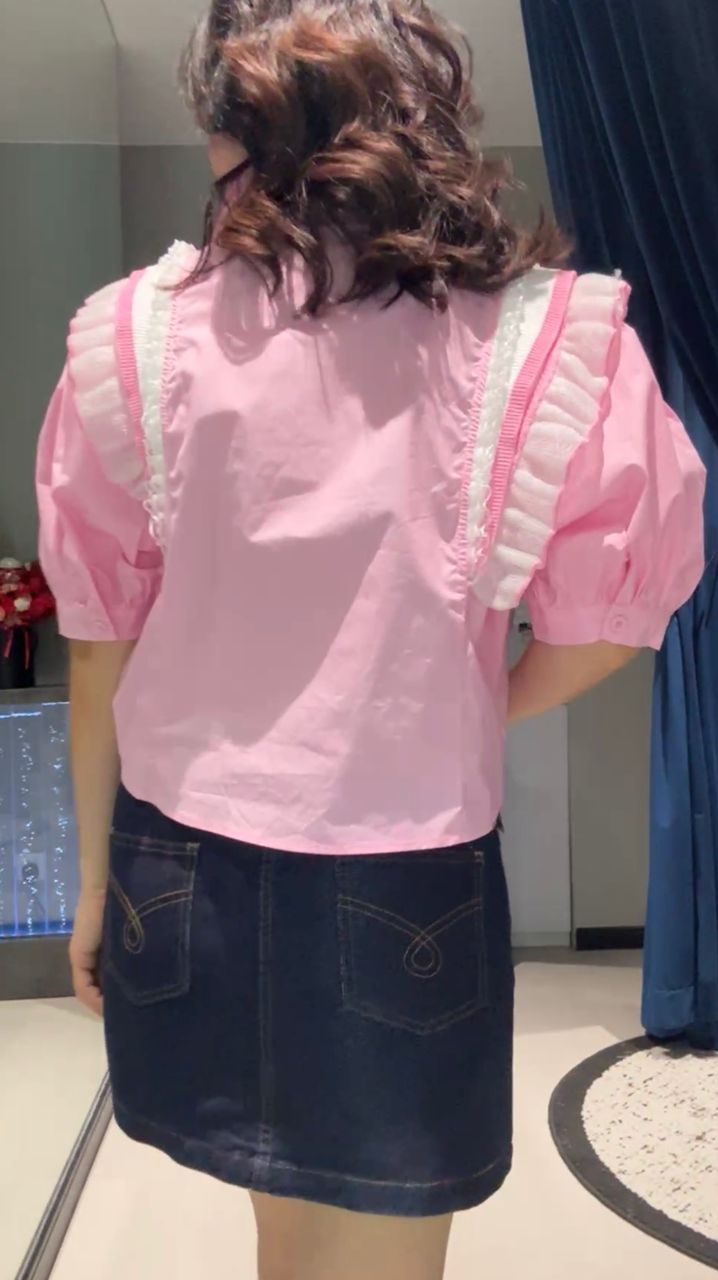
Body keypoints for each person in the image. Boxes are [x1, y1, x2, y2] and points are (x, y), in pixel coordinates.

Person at [36, 2, 705, 1277]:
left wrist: (90, 881)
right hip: (403, 870)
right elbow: (612, 618)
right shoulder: (542, 334)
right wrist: (463, 700)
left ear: (230, 129)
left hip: (181, 858)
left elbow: (99, 641)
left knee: (280, 1228)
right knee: (385, 1249)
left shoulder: (130, 334)